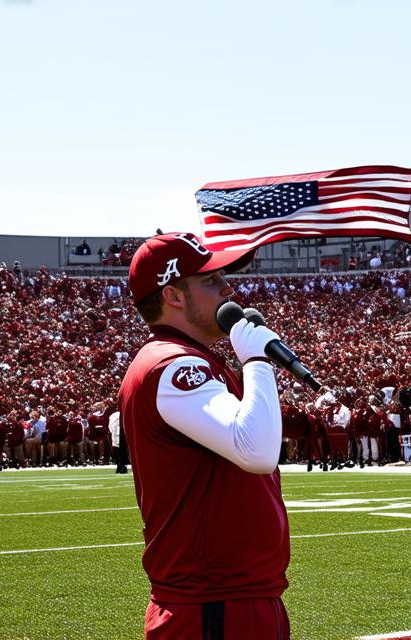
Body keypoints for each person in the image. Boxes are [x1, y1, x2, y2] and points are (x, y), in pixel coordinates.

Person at [118, 232, 290, 639]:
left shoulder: (193, 360)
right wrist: (256, 361)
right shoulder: (173, 366)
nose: (228, 288)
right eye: (211, 280)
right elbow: (258, 450)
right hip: (213, 605)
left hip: (232, 598)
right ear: (174, 295)